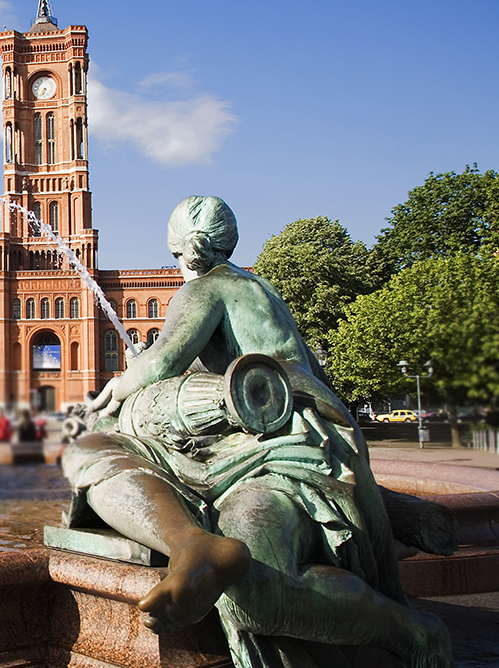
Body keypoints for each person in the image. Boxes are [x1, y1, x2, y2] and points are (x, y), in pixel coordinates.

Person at [64, 196, 449, 668]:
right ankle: (193, 545)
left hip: (273, 439)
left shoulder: (208, 287)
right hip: (270, 436)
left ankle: (412, 633)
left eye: (174, 254)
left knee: (253, 588)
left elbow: (163, 358)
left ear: (185, 251)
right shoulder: (259, 289)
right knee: (97, 452)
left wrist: (117, 388)